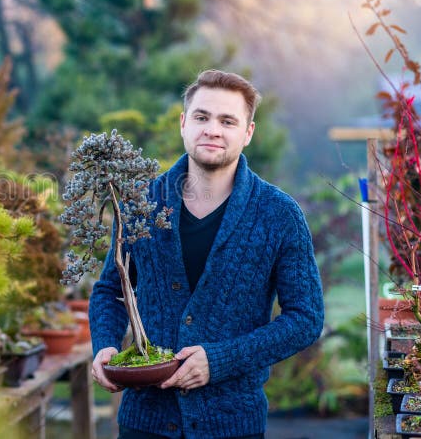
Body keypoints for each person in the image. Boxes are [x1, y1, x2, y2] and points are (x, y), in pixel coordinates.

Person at [89, 70, 324, 438]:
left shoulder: (279, 214)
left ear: (248, 133)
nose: (212, 129)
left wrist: (220, 361)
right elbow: (111, 290)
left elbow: (306, 318)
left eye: (227, 121)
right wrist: (104, 345)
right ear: (184, 124)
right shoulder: (140, 202)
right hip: (145, 422)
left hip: (232, 423)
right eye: (201, 117)